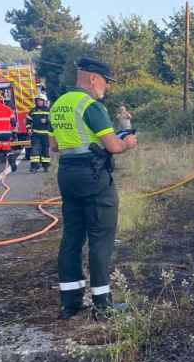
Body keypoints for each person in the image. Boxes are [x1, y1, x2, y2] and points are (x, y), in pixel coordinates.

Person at [50, 57, 138, 320]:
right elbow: (113, 146)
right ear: (92, 78)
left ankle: (70, 302)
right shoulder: (91, 106)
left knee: (72, 238)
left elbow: (55, 146)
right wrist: (129, 141)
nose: (107, 87)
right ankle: (103, 303)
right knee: (101, 239)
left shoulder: (59, 104)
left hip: (67, 174)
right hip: (94, 176)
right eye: (105, 81)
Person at [26, 95, 52, 172]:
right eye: (38, 101)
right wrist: (29, 129)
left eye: (40, 100)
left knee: (45, 151)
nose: (39, 102)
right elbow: (28, 121)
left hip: (46, 135)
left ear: (44, 101)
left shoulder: (48, 110)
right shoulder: (33, 110)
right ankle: (34, 167)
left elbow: (53, 120)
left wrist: (47, 121)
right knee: (35, 150)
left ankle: (46, 166)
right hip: (35, 134)